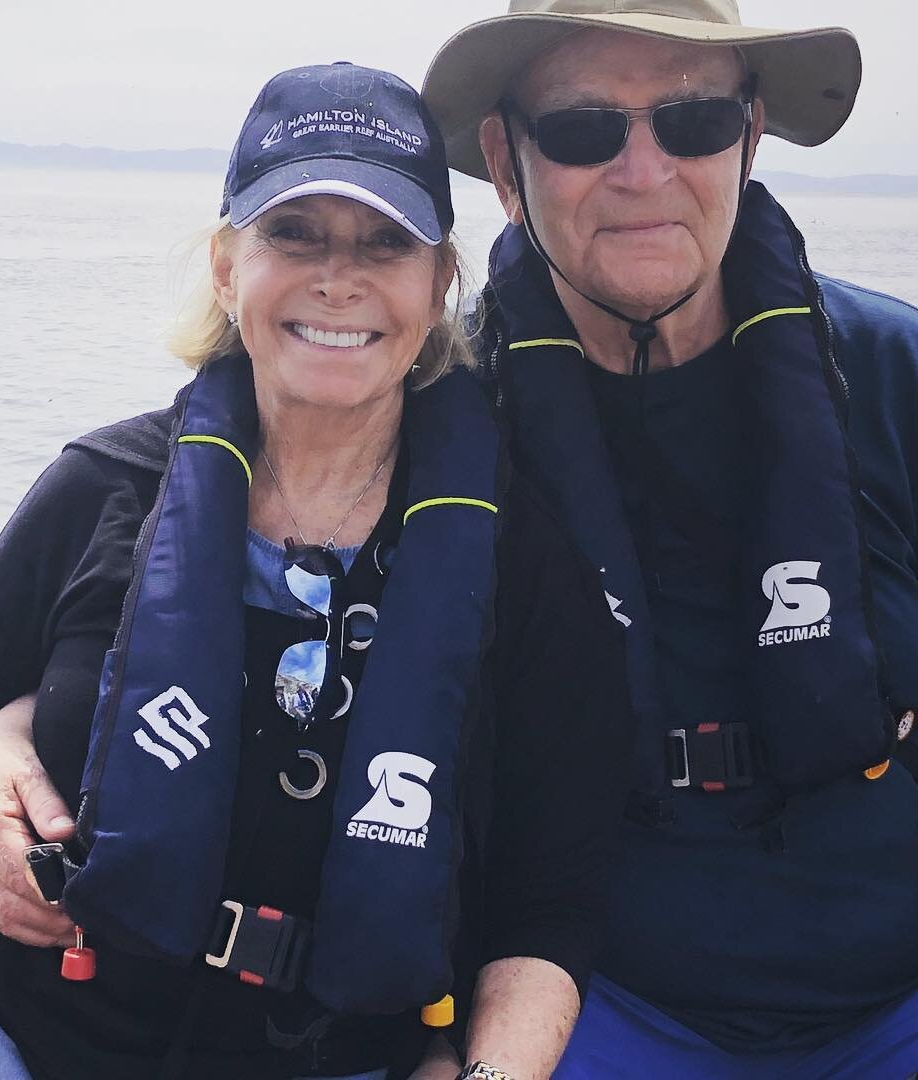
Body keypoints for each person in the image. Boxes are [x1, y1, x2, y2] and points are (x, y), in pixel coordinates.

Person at [0, 63, 631, 1080]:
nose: (337, 277)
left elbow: (549, 902)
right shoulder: (98, 489)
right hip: (20, 1034)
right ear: (225, 267)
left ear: (439, 285)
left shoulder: (520, 563)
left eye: (386, 241)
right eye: (293, 233)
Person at [418, 1, 918, 1077]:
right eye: (586, 131)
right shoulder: (434, 420)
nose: (644, 171)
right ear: (506, 162)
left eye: (689, 123)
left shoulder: (893, 374)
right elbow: (190, 549)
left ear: (748, 134)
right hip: (595, 1003)